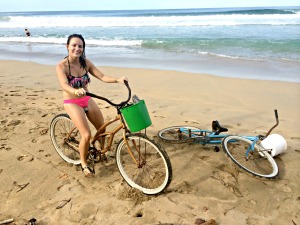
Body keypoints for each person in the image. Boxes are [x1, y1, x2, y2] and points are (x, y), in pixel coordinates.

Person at [56, 34, 127, 177]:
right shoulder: (61, 66)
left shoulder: (86, 63)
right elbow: (64, 85)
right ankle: (83, 163)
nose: (77, 48)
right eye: (74, 45)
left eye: (80, 46)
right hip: (72, 102)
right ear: (67, 47)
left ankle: (97, 147)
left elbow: (102, 76)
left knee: (102, 128)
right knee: (86, 134)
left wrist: (117, 80)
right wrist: (74, 91)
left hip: (87, 98)